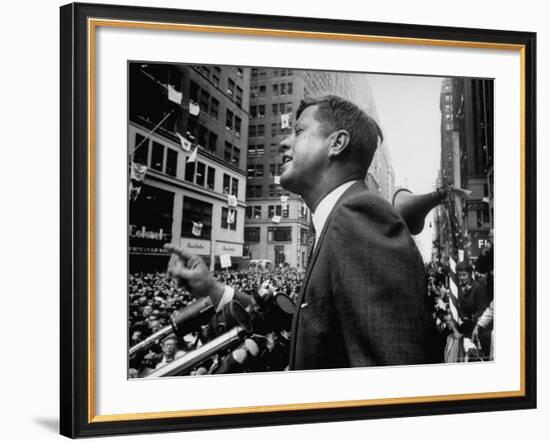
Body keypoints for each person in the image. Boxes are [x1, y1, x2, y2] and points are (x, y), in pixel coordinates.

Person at [165, 95, 440, 370]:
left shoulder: (359, 216)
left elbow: (394, 372)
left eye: (298, 132)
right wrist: (214, 288)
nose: (284, 142)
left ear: (337, 143)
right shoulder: (340, 222)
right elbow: (304, 323)